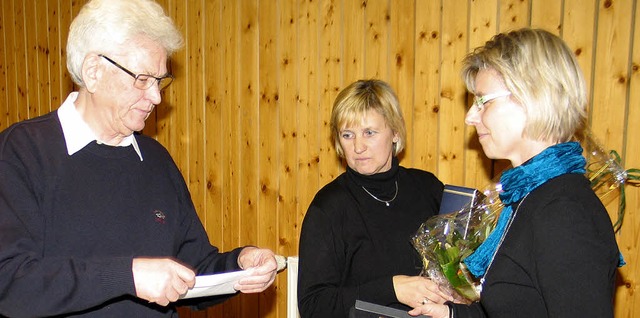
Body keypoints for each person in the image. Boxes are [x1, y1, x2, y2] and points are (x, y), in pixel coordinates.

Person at [0, 0, 278, 316]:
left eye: (159, 81)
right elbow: (10, 281)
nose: (156, 97)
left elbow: (192, 267)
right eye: (142, 79)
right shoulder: (21, 153)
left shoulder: (156, 160)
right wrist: (129, 277)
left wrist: (240, 265)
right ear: (93, 72)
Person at [409, 28, 621, 318]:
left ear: (532, 95)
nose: (470, 117)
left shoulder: (563, 212)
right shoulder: (528, 196)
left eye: (483, 101)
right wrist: (452, 315)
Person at [297, 79, 453, 318]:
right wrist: (391, 289)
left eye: (369, 133)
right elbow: (313, 306)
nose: (358, 146)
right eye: (348, 135)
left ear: (395, 132)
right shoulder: (328, 207)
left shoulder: (428, 187)